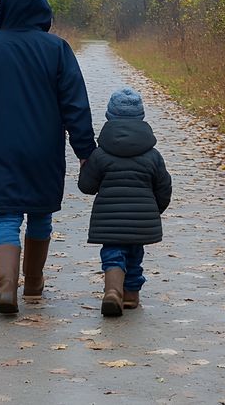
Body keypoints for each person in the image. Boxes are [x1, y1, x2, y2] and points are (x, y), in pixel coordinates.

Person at [0, 0, 96, 315]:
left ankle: (7, 289)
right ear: (42, 8)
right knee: (40, 214)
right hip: (43, 148)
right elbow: (75, 105)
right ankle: (33, 283)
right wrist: (86, 152)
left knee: (6, 216)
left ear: (4, 6)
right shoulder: (57, 49)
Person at [79, 87, 172, 317]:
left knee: (113, 253)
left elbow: (87, 186)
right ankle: (131, 294)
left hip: (109, 221)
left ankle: (112, 291)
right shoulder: (153, 155)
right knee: (134, 255)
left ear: (109, 117)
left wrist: (85, 168)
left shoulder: (101, 154)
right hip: (141, 220)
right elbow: (164, 188)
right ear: (141, 118)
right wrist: (153, 210)